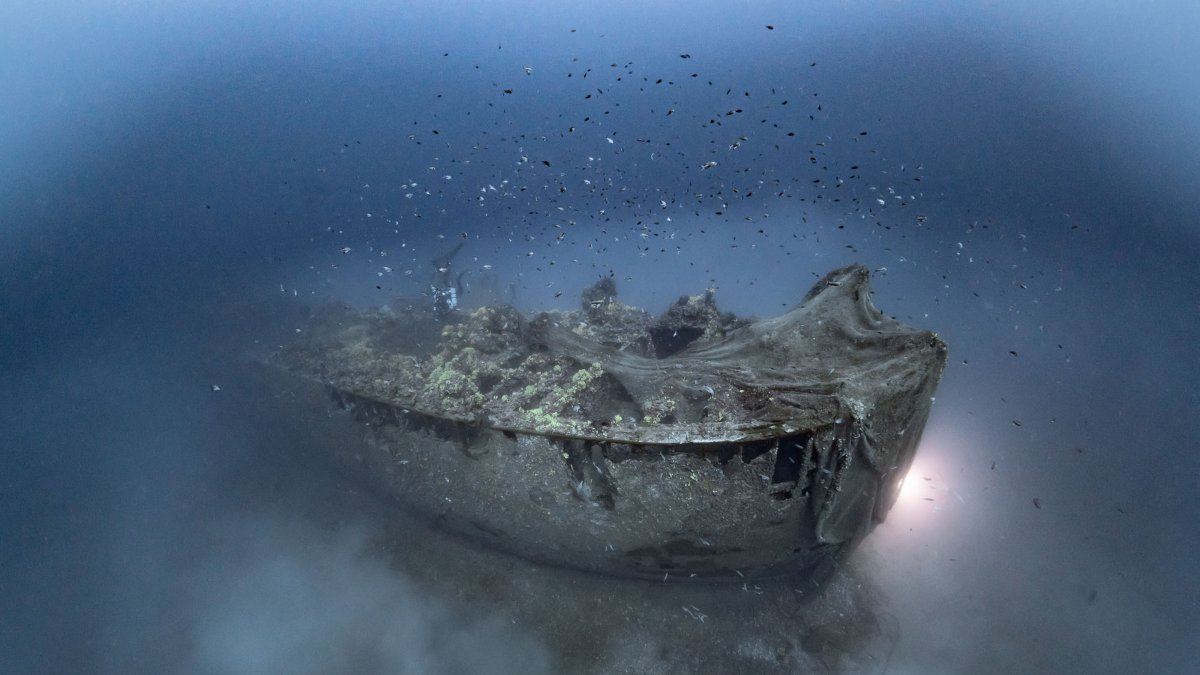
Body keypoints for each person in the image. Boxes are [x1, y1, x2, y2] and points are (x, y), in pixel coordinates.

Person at [429, 241, 467, 318]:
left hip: (446, 281)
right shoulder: (438, 269)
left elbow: (452, 253)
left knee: (452, 290)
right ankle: (443, 309)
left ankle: (446, 308)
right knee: (442, 292)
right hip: (443, 282)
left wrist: (459, 246)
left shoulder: (445, 259)